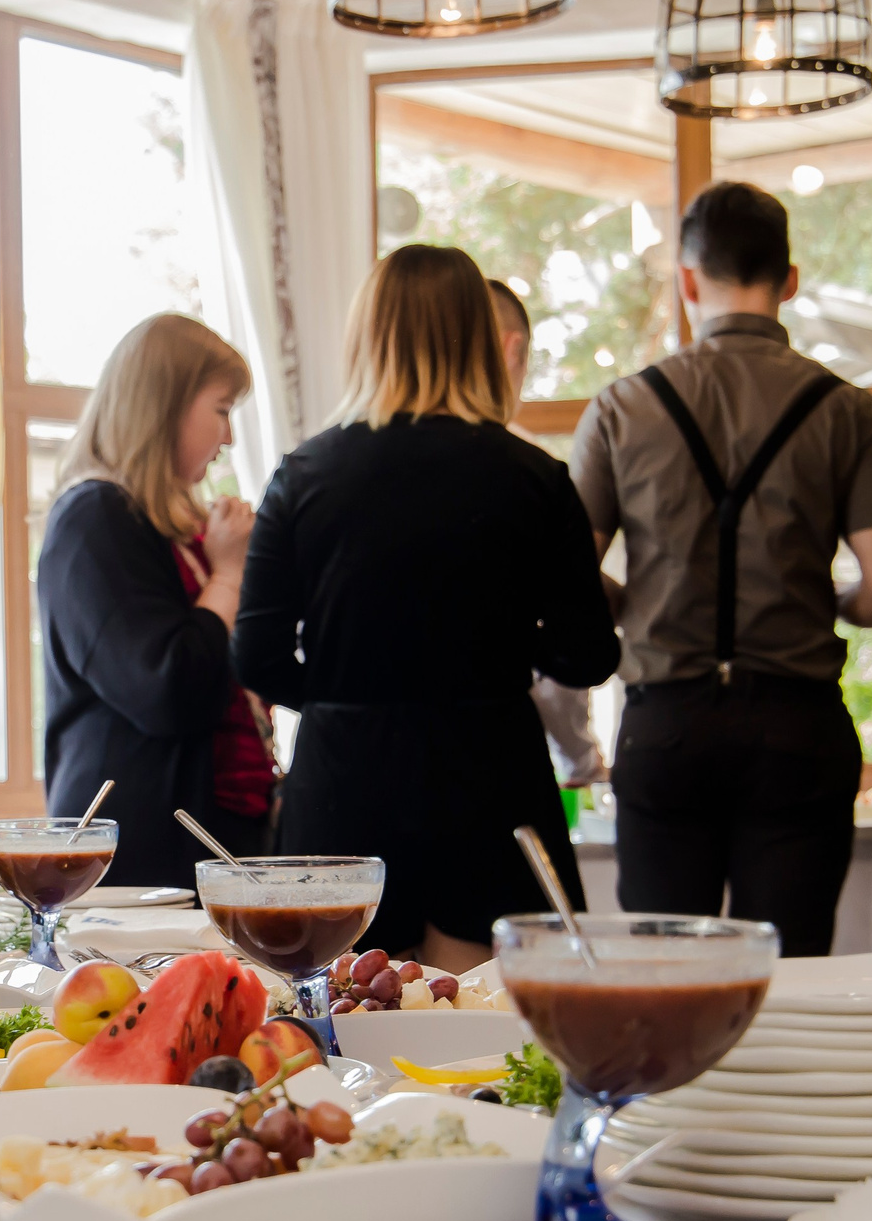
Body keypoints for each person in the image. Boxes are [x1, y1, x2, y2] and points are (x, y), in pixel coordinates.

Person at [235, 245, 619, 971]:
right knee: (491, 1041)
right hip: (490, 777)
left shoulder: (304, 475)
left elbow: (253, 654)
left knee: (345, 1025)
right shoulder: (535, 478)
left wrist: (348, 692)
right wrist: (502, 637)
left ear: (367, 336)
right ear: (479, 337)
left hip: (345, 783)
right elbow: (589, 653)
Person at [570, 182, 872, 957]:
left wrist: (639, 601)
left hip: (666, 727)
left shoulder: (623, 407)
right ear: (789, 279)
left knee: (668, 980)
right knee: (789, 982)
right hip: (797, 729)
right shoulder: (847, 410)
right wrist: (826, 597)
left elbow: (568, 573)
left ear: (688, 282)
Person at [35, 314, 275, 887]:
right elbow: (168, 689)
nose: (230, 437)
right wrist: (229, 575)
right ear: (163, 406)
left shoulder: (161, 527)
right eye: (220, 410)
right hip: (142, 860)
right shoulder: (95, 519)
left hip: (194, 838)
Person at [489, 276, 608, 788]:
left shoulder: (332, 472)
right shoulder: (534, 477)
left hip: (366, 773)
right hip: (504, 760)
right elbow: (578, 658)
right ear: (512, 349)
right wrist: (583, 762)